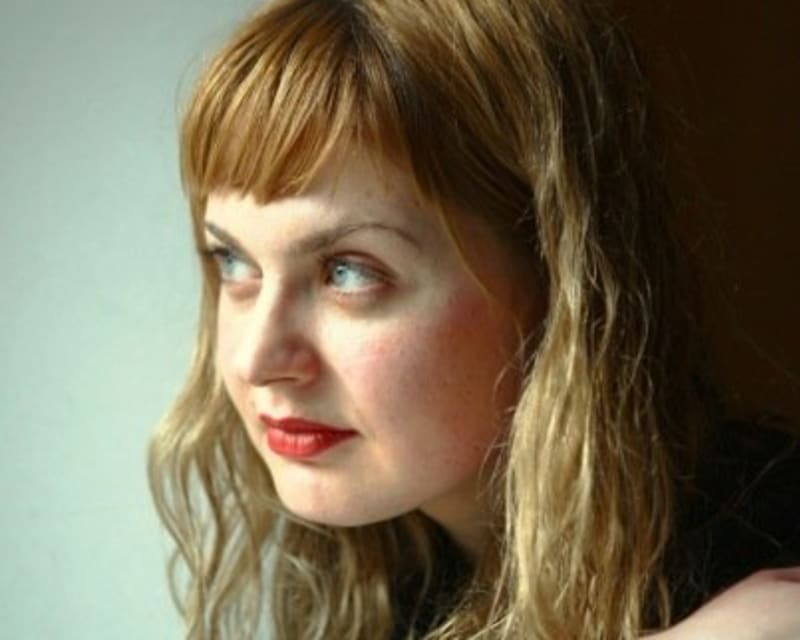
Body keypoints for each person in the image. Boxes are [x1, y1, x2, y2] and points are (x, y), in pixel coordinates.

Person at [147, 0, 800, 638]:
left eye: (349, 272)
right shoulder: (389, 572)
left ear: (560, 279)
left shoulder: (770, 558)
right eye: (234, 262)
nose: (255, 360)